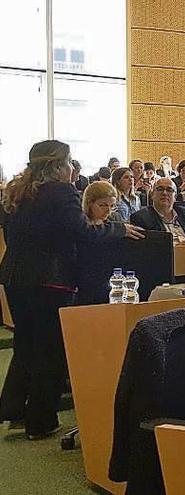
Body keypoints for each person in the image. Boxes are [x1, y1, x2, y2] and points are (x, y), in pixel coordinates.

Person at [0, 140, 142, 440]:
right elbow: (82, 231)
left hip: (16, 278)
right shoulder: (61, 192)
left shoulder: (18, 192)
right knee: (50, 350)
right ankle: (41, 421)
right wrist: (119, 229)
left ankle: (13, 410)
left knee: (26, 345)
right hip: (50, 281)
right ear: (58, 166)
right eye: (68, 163)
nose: (71, 168)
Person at [131, 178, 185, 242]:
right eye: (160, 189)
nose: (164, 193)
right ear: (152, 194)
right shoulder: (140, 218)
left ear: (175, 196)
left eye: (169, 190)